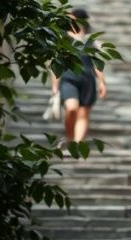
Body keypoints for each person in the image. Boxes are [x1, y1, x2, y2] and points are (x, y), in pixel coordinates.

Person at [46, 8, 107, 142]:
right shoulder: (63, 39)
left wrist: (102, 82)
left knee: (83, 114)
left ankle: (78, 144)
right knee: (72, 108)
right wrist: (54, 87)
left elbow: (97, 64)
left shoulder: (91, 41)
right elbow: (55, 64)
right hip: (68, 79)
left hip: (88, 81)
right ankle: (70, 139)